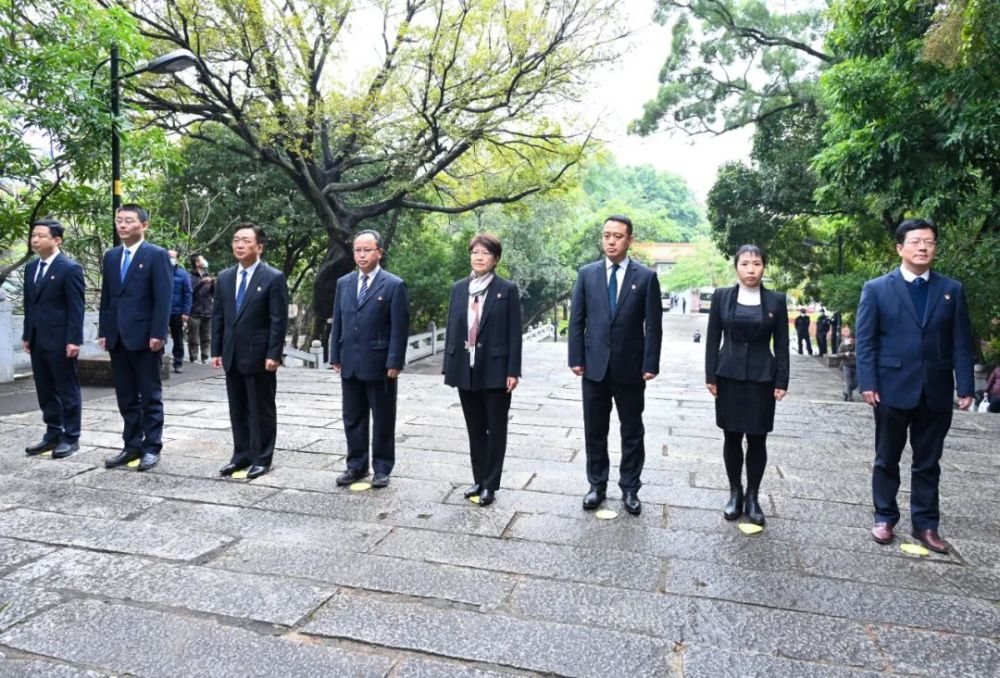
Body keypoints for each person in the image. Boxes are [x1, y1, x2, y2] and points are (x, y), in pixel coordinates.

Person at [856, 218, 974, 553]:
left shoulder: (951, 289)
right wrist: (868, 382)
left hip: (935, 389)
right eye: (916, 241)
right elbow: (866, 341)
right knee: (886, 457)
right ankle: (884, 517)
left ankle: (926, 524)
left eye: (930, 242)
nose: (923, 247)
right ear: (900, 247)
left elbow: (961, 342)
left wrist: (965, 385)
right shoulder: (877, 288)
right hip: (891, 386)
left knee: (928, 461)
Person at [568, 215, 663, 516]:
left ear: (629, 240)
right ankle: (597, 485)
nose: (611, 241)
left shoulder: (646, 277)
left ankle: (630, 488)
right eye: (607, 235)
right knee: (595, 430)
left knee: (632, 431)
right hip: (594, 367)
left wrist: (650, 362)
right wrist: (576, 358)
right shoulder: (587, 274)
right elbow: (577, 321)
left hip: (630, 368)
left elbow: (654, 326)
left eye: (618, 236)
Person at [704, 245, 789, 526]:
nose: (751, 269)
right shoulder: (722, 297)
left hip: (762, 378)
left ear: (764, 267)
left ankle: (753, 496)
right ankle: (734, 493)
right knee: (731, 436)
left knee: (757, 438)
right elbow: (713, 338)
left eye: (756, 264)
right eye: (745, 264)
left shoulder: (776, 300)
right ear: (736, 267)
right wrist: (710, 376)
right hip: (727, 375)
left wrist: (782, 379)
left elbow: (783, 344)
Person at [443, 233, 522, 507]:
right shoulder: (458, 288)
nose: (479, 257)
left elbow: (514, 333)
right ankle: (478, 480)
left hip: (496, 370)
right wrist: (449, 366)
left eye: (485, 253)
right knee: (475, 428)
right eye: (475, 252)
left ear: (495, 258)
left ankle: (490, 485)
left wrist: (513, 370)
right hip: (467, 368)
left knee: (496, 429)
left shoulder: (506, 290)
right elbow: (453, 329)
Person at [330, 229, 410, 489]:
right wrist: (335, 355)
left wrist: (395, 362)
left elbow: (399, 328)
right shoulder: (344, 283)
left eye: (367, 250)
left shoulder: (394, 284)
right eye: (357, 250)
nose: (361, 255)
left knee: (384, 418)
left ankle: (382, 468)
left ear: (379, 252)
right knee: (352, 416)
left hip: (380, 364)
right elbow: (338, 321)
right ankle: (356, 465)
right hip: (350, 362)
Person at [98, 204, 173, 471]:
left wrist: (158, 333)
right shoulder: (111, 256)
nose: (122, 225)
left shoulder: (156, 255)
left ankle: (152, 446)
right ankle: (131, 445)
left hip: (144, 336)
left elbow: (163, 298)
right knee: (126, 395)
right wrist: (104, 331)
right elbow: (107, 297)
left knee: (149, 394)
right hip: (117, 336)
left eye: (128, 221)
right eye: (119, 220)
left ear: (144, 225)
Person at [211, 223, 288, 479]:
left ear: (259, 247)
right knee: (237, 407)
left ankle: (262, 457)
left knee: (261, 408)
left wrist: (274, 354)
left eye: (245, 240)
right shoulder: (224, 277)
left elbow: (278, 319)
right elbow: (219, 316)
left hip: (259, 355)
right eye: (236, 240)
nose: (239, 245)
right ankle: (241, 454)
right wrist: (217, 349)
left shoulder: (273, 277)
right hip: (232, 353)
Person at [21, 218, 85, 459]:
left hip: (61, 340)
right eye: (33, 235)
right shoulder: (31, 268)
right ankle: (52, 433)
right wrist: (28, 334)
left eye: (40, 235)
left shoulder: (70, 268)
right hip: (38, 339)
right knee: (45, 389)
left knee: (67, 389)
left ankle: (71, 437)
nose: (35, 239)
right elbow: (30, 305)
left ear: (56, 240)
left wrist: (74, 340)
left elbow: (76, 307)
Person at [167, 249, 192, 373]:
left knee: (178, 338)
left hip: (177, 312)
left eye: (172, 256)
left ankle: (178, 362)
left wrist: (186, 312)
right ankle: (159, 362)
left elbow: (188, 294)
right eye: (168, 256)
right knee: (158, 337)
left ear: (177, 259)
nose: (170, 258)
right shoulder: (160, 272)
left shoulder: (183, 274)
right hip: (162, 311)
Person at [187, 254, 214, 364]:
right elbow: (190, 293)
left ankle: (205, 357)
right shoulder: (190, 277)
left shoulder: (208, 275)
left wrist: (213, 284)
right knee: (193, 337)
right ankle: (193, 357)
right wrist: (201, 283)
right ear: (197, 263)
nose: (205, 261)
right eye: (202, 259)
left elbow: (213, 293)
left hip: (207, 310)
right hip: (194, 311)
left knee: (206, 336)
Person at [838, 325, 857, 401]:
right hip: (846, 365)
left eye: (854, 340)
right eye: (851, 340)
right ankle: (850, 397)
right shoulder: (843, 344)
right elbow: (838, 354)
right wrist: (845, 354)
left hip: (855, 365)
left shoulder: (857, 345)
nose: (852, 341)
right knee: (849, 382)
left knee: (856, 383)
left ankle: (846, 392)